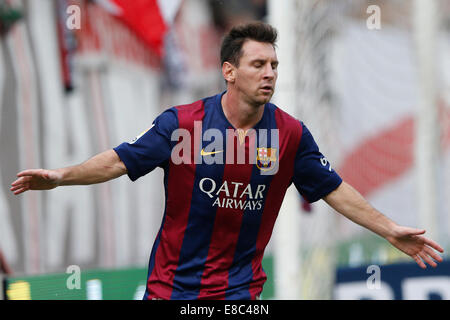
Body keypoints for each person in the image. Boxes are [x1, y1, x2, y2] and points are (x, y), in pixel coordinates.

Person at [10, 22, 444, 300]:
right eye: (259, 64)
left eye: (274, 64)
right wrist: (61, 176)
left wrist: (390, 230)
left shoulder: (290, 134)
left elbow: (333, 189)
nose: (271, 73)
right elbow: (120, 160)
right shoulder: (182, 124)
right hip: (171, 293)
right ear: (229, 72)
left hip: (239, 297)